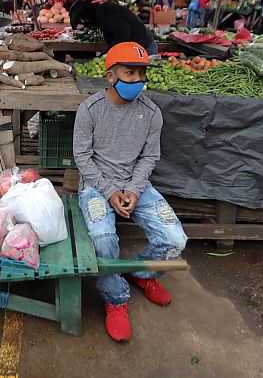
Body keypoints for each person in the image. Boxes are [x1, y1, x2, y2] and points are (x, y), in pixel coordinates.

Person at [73, 41, 188, 343]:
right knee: (103, 240)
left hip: (137, 185)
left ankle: (142, 273)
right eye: (130, 72)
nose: (137, 80)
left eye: (141, 73)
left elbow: (150, 157)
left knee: (175, 239)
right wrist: (110, 191)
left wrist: (135, 191)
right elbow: (82, 158)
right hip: (97, 188)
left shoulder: (151, 113)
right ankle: (115, 297)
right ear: (111, 76)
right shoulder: (90, 110)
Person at [70, 0, 158, 54]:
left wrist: (109, 52)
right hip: (137, 47)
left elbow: (123, 33)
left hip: (144, 48)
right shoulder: (101, 14)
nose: (85, 24)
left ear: (86, 16)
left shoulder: (105, 13)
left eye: (82, 21)